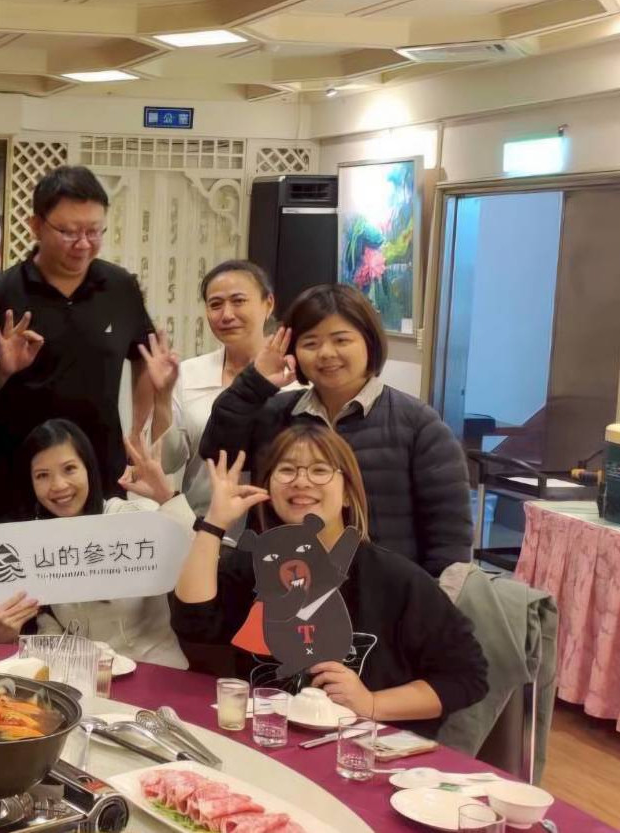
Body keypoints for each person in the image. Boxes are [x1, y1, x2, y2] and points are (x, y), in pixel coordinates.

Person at [172, 426, 488, 737]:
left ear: (348, 493)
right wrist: (214, 522)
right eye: (287, 470)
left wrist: (371, 702)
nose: (301, 481)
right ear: (269, 490)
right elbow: (193, 622)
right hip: (264, 740)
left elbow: (466, 676)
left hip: (359, 752)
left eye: (320, 470)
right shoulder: (256, 565)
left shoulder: (396, 580)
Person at [200, 283, 471, 575]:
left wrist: (423, 598)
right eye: (310, 343)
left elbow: (450, 539)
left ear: (369, 341)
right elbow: (217, 453)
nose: (326, 353)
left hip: (381, 592)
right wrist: (255, 382)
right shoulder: (274, 413)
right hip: (280, 587)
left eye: (341, 340)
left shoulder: (419, 425)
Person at [0, 165, 162, 524]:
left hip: (99, 472)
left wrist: (137, 430)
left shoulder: (120, 288)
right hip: (19, 478)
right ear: (36, 226)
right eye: (69, 232)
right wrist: (2, 369)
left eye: (94, 231)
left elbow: (144, 358)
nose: (83, 244)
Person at [0, 420, 193, 668]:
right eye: (42, 475)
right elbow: (51, 631)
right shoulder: (38, 545)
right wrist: (6, 636)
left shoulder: (127, 517)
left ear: (88, 468)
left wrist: (166, 496)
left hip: (154, 670)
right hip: (86, 676)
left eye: (69, 469)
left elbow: (200, 560)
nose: (58, 485)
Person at [160, 260, 294, 516]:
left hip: (276, 524)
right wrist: (160, 398)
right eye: (215, 305)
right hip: (201, 520)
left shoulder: (293, 375)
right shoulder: (187, 373)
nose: (227, 314)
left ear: (268, 304)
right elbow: (168, 462)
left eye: (238, 301)